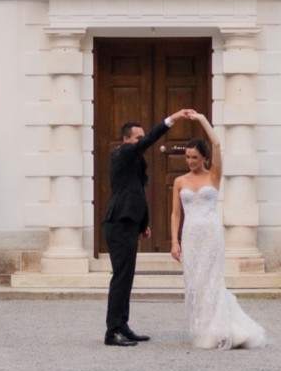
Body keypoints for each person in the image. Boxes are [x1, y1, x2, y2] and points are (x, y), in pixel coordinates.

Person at [168, 114, 269, 350]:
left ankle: (222, 328)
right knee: (196, 281)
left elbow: (216, 144)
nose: (190, 161)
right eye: (187, 157)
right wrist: (174, 241)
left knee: (212, 280)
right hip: (191, 235)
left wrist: (202, 120)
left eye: (194, 157)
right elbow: (175, 214)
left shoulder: (213, 175)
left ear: (204, 158)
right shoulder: (180, 181)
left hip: (211, 235)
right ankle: (204, 328)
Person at [101, 111, 178, 347]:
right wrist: (170, 120)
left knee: (126, 277)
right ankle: (113, 331)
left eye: (142, 138)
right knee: (121, 278)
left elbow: (136, 193)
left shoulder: (133, 162)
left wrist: (143, 224)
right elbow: (147, 143)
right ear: (126, 140)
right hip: (118, 224)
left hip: (128, 223)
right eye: (138, 138)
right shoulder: (123, 152)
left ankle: (122, 326)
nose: (141, 141)